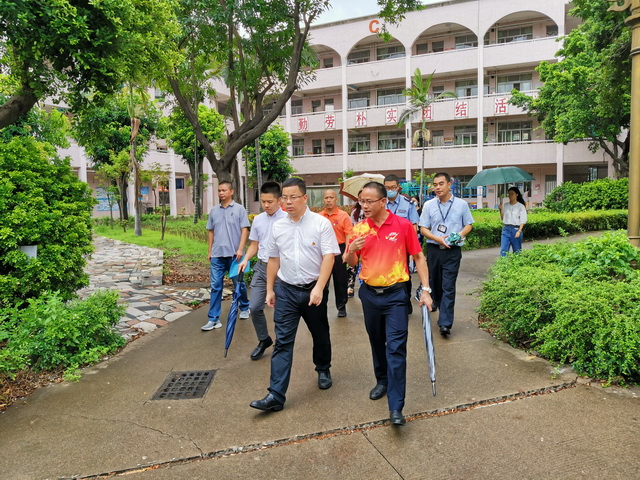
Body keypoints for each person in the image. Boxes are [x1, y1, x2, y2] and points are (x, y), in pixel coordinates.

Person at [344, 181, 433, 426]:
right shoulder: (359, 229)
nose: (364, 206)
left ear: (383, 201)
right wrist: (351, 249)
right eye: (361, 201)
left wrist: (426, 290)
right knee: (376, 341)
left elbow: (419, 257)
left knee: (395, 348)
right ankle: (381, 380)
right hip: (369, 294)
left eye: (369, 201)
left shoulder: (403, 225)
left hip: (396, 296)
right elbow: (351, 263)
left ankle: (396, 406)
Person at [250, 178, 340, 412]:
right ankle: (276, 395)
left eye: (293, 197)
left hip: (313, 290)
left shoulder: (321, 224)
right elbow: (273, 259)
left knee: (320, 334)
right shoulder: (278, 227)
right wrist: (270, 289)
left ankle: (323, 368)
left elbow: (329, 257)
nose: (288, 202)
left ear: (304, 198)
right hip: (286, 290)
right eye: (285, 198)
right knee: (283, 342)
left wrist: (319, 288)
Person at [419, 172, 474, 337]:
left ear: (450, 184)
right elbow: (423, 228)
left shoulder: (461, 204)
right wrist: (437, 238)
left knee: (448, 287)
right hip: (434, 250)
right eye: (435, 184)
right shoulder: (429, 205)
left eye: (441, 184)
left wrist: (460, 234)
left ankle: (445, 322)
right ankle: (436, 301)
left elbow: (469, 224)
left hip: (452, 251)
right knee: (435, 284)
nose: (438, 187)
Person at [238, 182, 287, 360]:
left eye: (270, 202)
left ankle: (282, 343)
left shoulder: (287, 219)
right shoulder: (258, 219)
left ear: (279, 200)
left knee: (281, 310)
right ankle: (263, 339)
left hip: (281, 271)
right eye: (263, 201)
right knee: (254, 307)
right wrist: (245, 259)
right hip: (261, 267)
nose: (266, 205)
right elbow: (255, 244)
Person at [202, 181, 250, 331]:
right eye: (219, 190)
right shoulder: (214, 211)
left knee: (239, 284)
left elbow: (245, 230)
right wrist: (210, 251)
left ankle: (245, 307)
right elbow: (211, 231)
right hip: (217, 255)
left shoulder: (239, 209)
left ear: (231, 192)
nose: (221, 193)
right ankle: (213, 319)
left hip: (235, 255)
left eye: (224, 190)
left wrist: (240, 249)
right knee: (216, 286)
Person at [384, 174, 420, 312]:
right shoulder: (381, 203)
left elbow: (414, 226)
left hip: (402, 247)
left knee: (404, 275)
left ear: (398, 187)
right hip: (385, 247)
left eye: (393, 187)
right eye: (387, 188)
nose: (390, 190)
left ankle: (406, 301)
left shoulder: (407, 203)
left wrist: (412, 248)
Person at [319, 189, 353, 317]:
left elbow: (349, 234)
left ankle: (341, 306)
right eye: (326, 198)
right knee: (323, 280)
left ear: (336, 199)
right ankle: (320, 306)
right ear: (323, 200)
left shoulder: (343, 216)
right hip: (323, 251)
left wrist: (347, 252)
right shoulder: (319, 217)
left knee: (340, 280)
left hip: (339, 249)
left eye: (331, 197)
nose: (328, 200)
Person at [499, 186, 528, 257]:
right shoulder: (506, 205)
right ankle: (503, 263)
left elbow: (523, 220)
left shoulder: (521, 206)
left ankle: (517, 264)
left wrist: (519, 231)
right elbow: (503, 218)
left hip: (516, 229)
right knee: (503, 249)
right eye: (509, 194)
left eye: (512, 194)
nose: (510, 196)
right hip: (506, 229)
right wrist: (500, 210)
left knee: (517, 251)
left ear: (517, 194)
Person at [347, 195, 365, 298]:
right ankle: (350, 286)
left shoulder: (372, 211)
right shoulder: (355, 212)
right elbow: (352, 226)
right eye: (360, 199)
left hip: (368, 240)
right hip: (357, 240)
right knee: (352, 265)